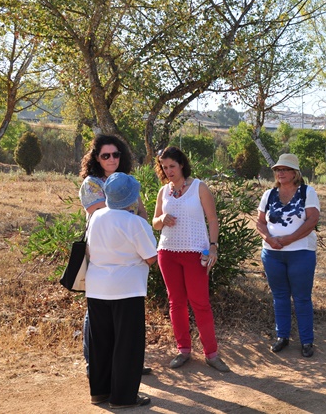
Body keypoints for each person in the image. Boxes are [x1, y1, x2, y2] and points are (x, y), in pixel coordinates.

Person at [151, 146, 230, 373]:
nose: (168, 171)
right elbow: (155, 223)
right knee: (176, 302)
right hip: (167, 252)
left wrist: (213, 248)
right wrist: (162, 219)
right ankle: (183, 350)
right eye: (164, 167)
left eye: (172, 166)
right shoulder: (163, 191)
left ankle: (211, 354)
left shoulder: (199, 187)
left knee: (200, 303)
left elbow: (213, 220)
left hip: (196, 252)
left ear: (182, 164)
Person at [78, 134, 151, 376]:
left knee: (124, 317)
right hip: (102, 250)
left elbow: (142, 212)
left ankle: (127, 364)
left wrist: (137, 229)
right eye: (105, 155)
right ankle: (95, 365)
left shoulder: (128, 181)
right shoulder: (92, 184)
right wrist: (133, 226)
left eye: (116, 154)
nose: (111, 159)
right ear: (96, 158)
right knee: (97, 311)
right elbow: (102, 216)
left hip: (129, 253)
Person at [86, 173, 157, 408]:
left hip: (97, 288)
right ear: (132, 197)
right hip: (127, 289)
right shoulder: (135, 222)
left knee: (101, 343)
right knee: (127, 344)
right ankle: (123, 397)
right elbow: (150, 258)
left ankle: (100, 392)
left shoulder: (96, 217)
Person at [256, 154, 321, 358]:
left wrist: (290, 239)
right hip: (273, 253)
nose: (280, 173)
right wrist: (269, 238)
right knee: (280, 296)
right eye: (277, 170)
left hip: (301, 252)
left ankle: (307, 341)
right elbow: (260, 222)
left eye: (285, 169)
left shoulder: (307, 192)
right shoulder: (269, 194)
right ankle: (282, 336)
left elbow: (312, 221)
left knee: (302, 298)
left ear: (295, 173)